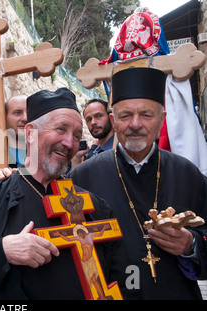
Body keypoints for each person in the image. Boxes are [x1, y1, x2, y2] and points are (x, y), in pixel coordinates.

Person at [0, 88, 120, 299]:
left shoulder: (96, 207)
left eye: (77, 135)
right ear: (31, 132)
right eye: (61, 129)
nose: (70, 143)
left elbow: (117, 272)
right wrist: (1, 249)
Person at [70, 67, 207, 299]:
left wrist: (190, 245)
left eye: (146, 114)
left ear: (162, 120)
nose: (135, 124)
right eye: (125, 116)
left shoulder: (188, 174)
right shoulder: (83, 177)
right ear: (114, 121)